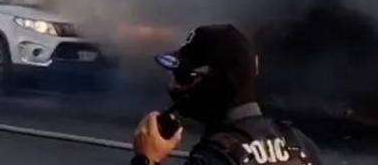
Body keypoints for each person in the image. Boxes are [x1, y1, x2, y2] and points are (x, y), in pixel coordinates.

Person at [132, 24, 322, 165]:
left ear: (220, 82)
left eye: (184, 76)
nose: (172, 85)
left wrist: (147, 159)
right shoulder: (301, 144)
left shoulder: (213, 158)